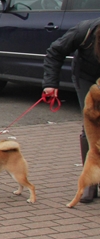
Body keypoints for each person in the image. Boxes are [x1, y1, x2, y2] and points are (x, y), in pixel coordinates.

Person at [42, 16, 100, 204]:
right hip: (86, 76)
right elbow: (55, 51)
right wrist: (50, 84)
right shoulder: (84, 31)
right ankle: (90, 182)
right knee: (90, 124)